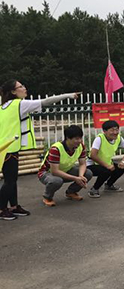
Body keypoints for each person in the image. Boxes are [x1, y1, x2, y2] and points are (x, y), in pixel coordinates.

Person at [0, 79, 79, 219]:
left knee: (11, 179)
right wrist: (68, 95)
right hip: (9, 148)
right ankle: (1, 209)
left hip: (5, 147)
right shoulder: (20, 104)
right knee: (10, 181)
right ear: (13, 91)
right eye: (20, 86)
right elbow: (46, 101)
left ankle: (13, 206)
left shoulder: (4, 106)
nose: (24, 88)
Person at [38, 125, 93, 207]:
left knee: (87, 173)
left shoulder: (80, 146)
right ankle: (47, 197)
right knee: (57, 181)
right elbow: (55, 171)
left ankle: (71, 192)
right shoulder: (56, 149)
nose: (79, 141)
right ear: (68, 138)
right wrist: (75, 178)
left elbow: (82, 164)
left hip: (65, 170)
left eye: (80, 138)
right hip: (47, 173)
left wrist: (81, 176)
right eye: (76, 139)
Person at [86, 120, 124, 197]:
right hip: (92, 165)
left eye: (116, 130)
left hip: (106, 164)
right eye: (112, 130)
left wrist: (123, 162)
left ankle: (109, 185)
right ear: (105, 131)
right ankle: (94, 189)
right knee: (106, 171)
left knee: (120, 168)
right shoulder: (99, 139)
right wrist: (107, 166)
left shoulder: (119, 138)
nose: (115, 132)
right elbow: (93, 155)